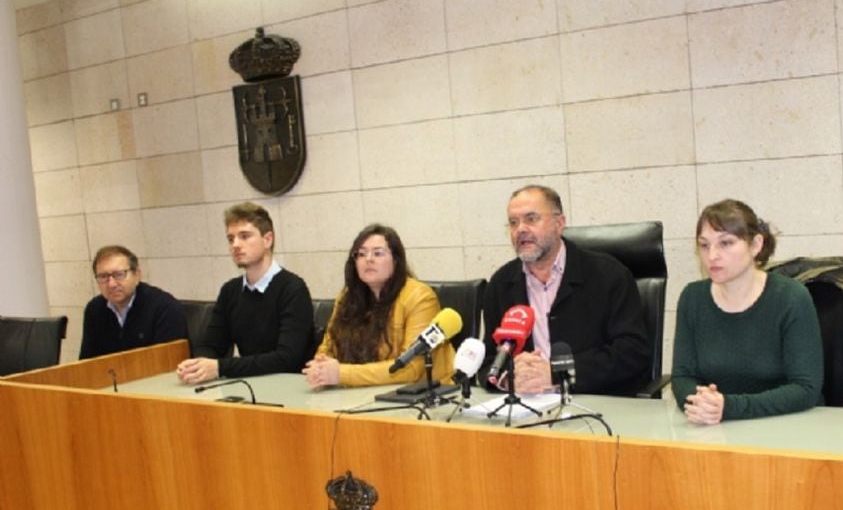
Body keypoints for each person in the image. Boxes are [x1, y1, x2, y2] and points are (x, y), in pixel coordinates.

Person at [482, 184, 650, 396]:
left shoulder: (609, 274)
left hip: (596, 403)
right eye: (513, 223)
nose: (520, 229)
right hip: (526, 407)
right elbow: (486, 360)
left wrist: (558, 373)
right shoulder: (501, 284)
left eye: (531, 219)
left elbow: (632, 352)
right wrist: (509, 379)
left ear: (559, 223)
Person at [671, 200, 823, 422]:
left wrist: (729, 407)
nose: (712, 255)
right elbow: (682, 376)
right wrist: (703, 404)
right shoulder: (692, 297)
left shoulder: (791, 297)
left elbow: (806, 388)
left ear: (755, 245)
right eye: (704, 245)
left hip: (785, 426)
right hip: (713, 426)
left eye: (726, 243)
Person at [177, 202, 314, 385]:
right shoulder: (230, 291)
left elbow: (285, 358)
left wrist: (220, 367)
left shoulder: (293, 288)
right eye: (231, 238)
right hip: (247, 385)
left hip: (290, 387)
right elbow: (210, 344)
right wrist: (197, 365)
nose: (235, 245)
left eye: (244, 236)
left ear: (268, 240)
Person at [303, 224, 453, 388]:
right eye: (361, 254)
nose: (368, 259)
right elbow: (327, 348)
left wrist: (342, 374)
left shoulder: (421, 298)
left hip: (423, 394)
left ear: (396, 259)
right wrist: (320, 369)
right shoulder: (347, 298)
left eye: (378, 253)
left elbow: (412, 368)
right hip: (361, 393)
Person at [79, 245, 187, 359]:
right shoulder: (94, 309)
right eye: (103, 276)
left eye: (119, 274)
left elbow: (168, 363)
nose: (111, 284)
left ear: (137, 275)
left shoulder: (165, 308)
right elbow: (87, 363)